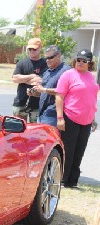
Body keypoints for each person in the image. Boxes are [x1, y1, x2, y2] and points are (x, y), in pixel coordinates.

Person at [55, 49, 99, 188]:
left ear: (89, 63)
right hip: (70, 117)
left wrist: (93, 118)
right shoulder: (68, 75)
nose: (80, 63)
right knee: (68, 150)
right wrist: (60, 117)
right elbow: (59, 96)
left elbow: (90, 98)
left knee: (79, 151)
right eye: (78, 60)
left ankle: (72, 181)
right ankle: (62, 180)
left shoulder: (91, 77)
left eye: (84, 61)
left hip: (86, 120)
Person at [32, 45, 71, 126]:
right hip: (42, 113)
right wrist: (35, 92)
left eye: (50, 58)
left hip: (54, 115)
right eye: (46, 58)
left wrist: (43, 90)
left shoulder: (66, 71)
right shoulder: (48, 71)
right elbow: (43, 91)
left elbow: (65, 92)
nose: (47, 60)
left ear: (58, 56)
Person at [12, 38, 47, 122]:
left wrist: (23, 79)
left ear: (40, 48)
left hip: (37, 104)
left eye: (34, 49)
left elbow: (40, 80)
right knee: (19, 129)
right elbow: (15, 79)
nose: (32, 51)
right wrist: (32, 76)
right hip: (21, 102)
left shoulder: (45, 63)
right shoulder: (22, 63)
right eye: (30, 49)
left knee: (34, 131)